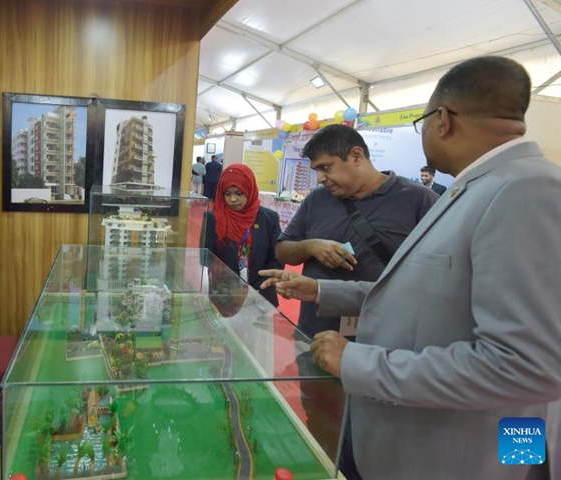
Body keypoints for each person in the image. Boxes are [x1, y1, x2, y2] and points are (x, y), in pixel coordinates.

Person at [261, 56, 561, 480]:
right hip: (406, 438)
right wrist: (321, 291)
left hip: (455, 454)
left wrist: (360, 363)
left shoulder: (527, 190)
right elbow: (421, 292)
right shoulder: (476, 189)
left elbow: (527, 367)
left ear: (442, 120)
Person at [275, 124, 437, 478]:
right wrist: (312, 245)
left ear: (357, 156)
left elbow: (432, 279)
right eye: (316, 170)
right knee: (321, 416)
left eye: (326, 167)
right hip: (317, 333)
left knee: (378, 430)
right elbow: (283, 247)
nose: (320, 179)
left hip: (383, 343)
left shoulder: (418, 201)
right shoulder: (318, 201)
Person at [205, 163, 283, 307]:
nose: (233, 199)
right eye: (227, 194)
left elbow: (276, 259)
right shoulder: (214, 218)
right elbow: (206, 258)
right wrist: (231, 288)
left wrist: (255, 290)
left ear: (250, 189)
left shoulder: (268, 218)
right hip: (225, 295)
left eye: (239, 193)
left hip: (262, 297)